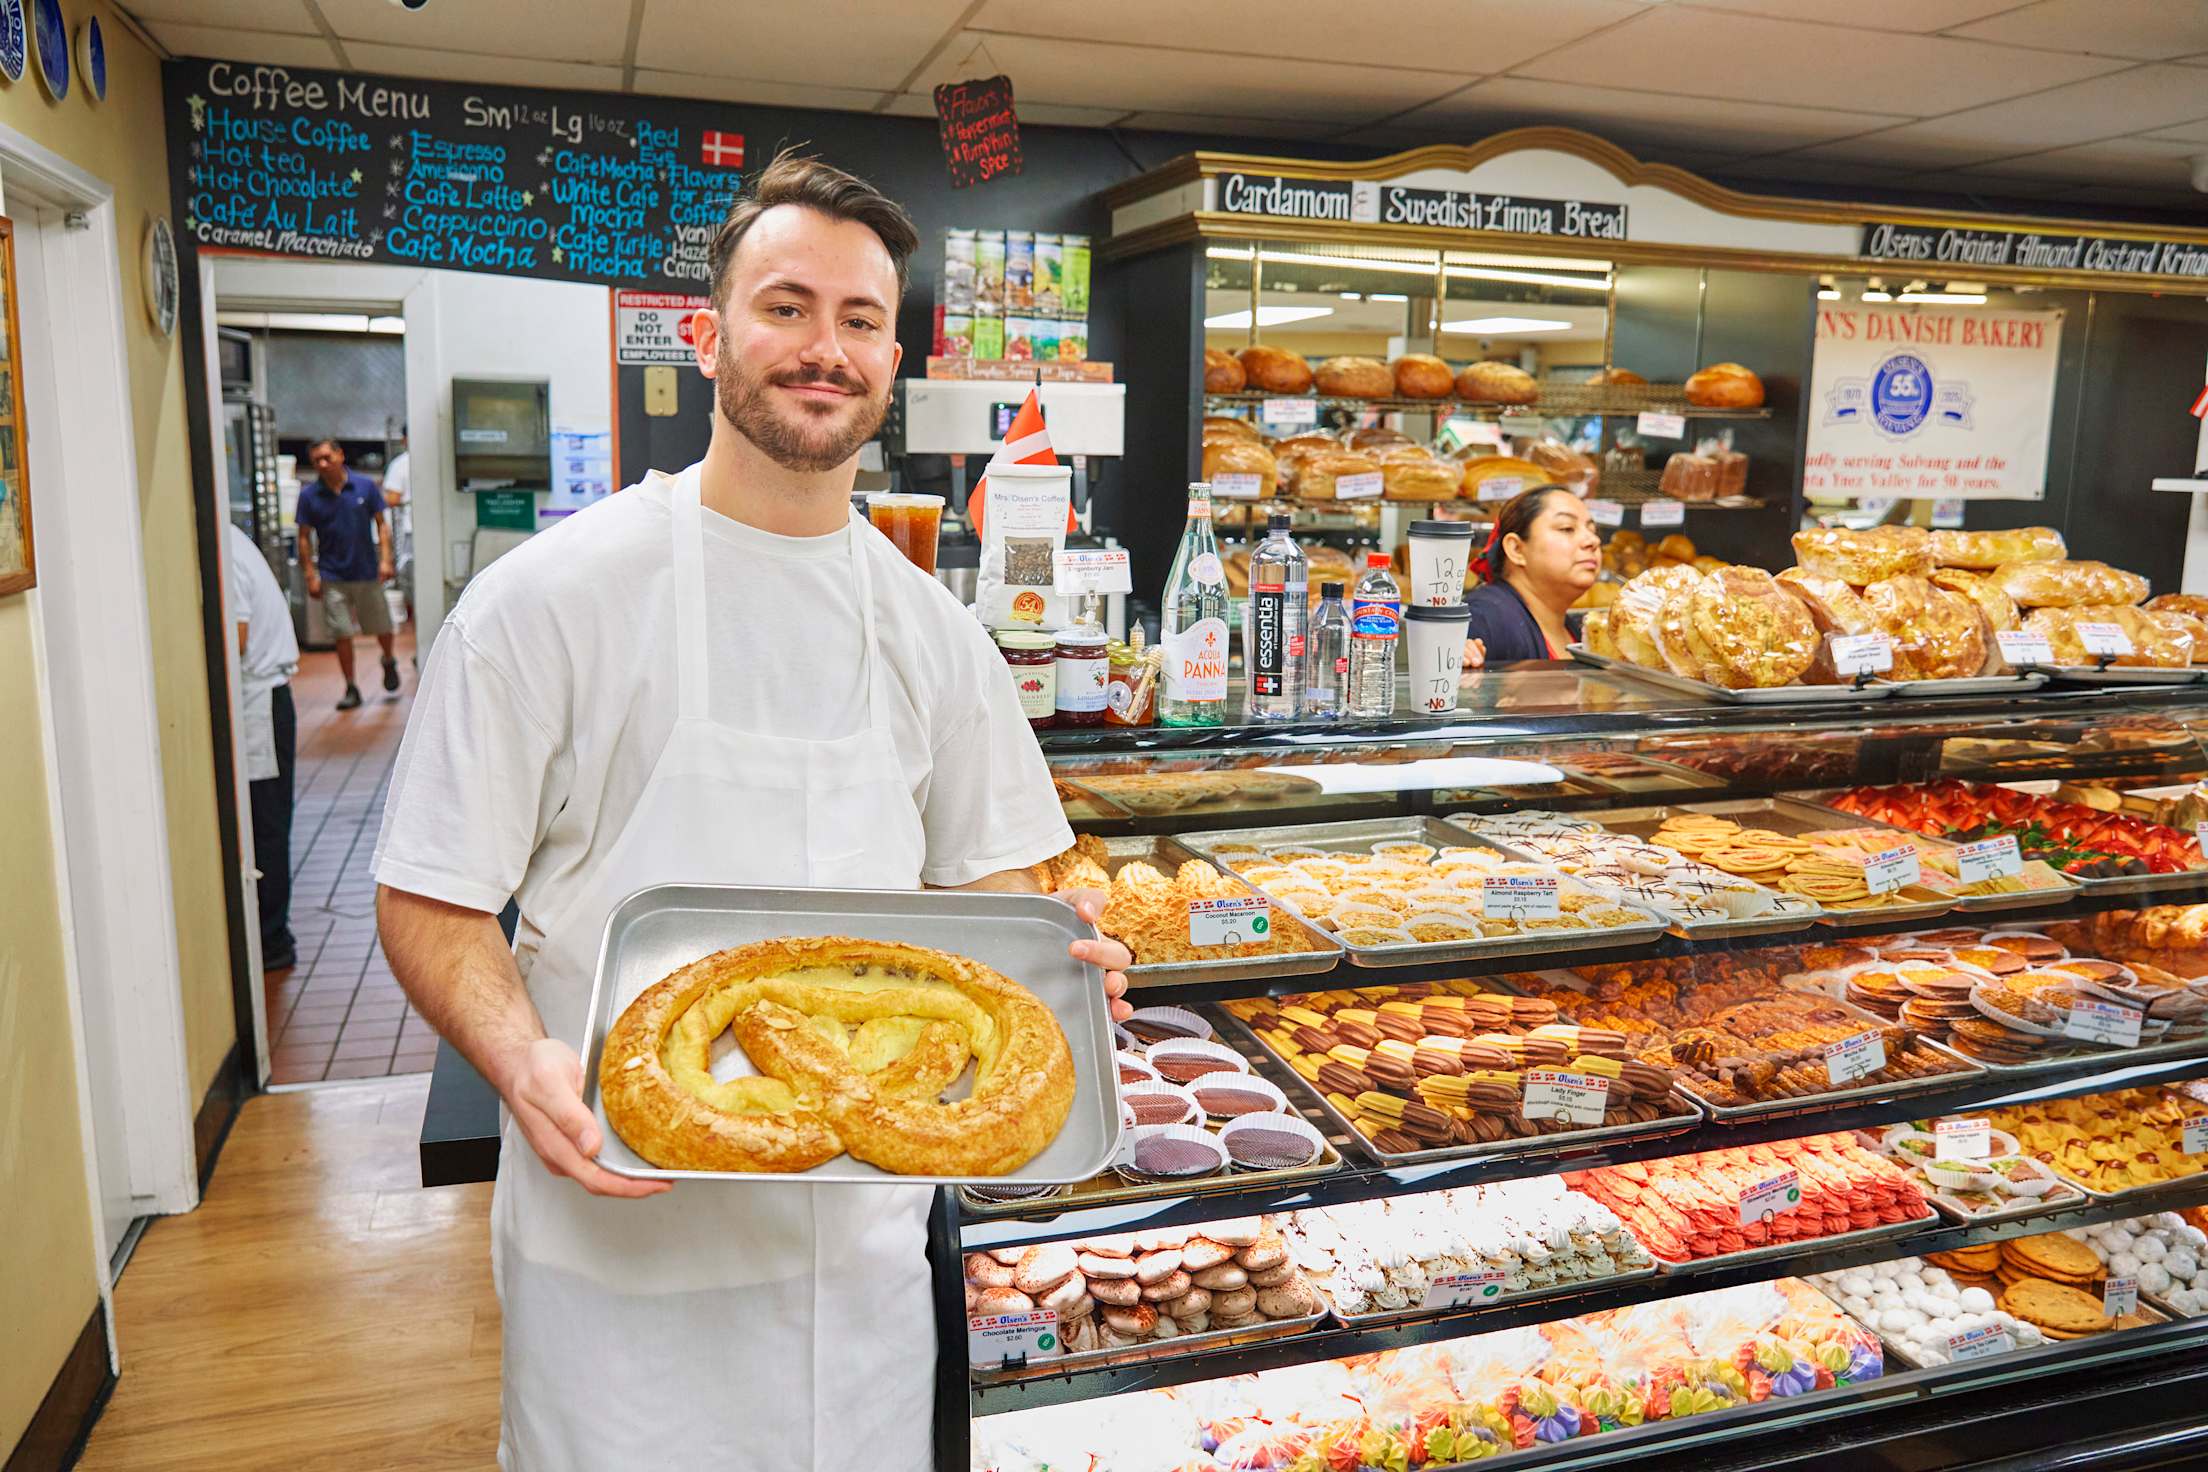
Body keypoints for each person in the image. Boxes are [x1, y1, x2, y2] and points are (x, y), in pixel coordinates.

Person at [370, 152, 1133, 1472]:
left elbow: (1004, 897)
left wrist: (1064, 977)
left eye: (858, 320)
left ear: (892, 357)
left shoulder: (936, 638)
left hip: (867, 1266)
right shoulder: (552, 600)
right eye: (786, 307)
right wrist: (516, 1059)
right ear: (709, 334)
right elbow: (429, 897)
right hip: (620, 1252)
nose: (822, 350)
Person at [226, 521, 302, 971]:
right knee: (262, 820)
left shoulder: (226, 554)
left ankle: (272, 939)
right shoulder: (233, 541)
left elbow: (232, 641)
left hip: (260, 704)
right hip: (263, 698)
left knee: (266, 823)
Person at [296, 438, 398, 709]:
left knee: (382, 627)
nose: (322, 464)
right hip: (332, 574)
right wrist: (310, 574)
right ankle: (351, 686)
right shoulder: (309, 496)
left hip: (366, 571)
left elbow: (382, 524)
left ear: (340, 455)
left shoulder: (364, 486)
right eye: (317, 460)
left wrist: (386, 560)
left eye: (327, 457)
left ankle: (388, 660)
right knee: (341, 633)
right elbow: (304, 537)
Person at [1461, 484, 1601, 667]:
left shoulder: (1569, 627)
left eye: (1592, 530)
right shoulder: (1485, 619)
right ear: (1516, 549)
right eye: (1567, 528)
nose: (1593, 541)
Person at [381, 428, 413, 617]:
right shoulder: (403, 464)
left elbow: (392, 498)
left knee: (409, 576)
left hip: (409, 529)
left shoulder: (400, 464)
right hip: (413, 529)